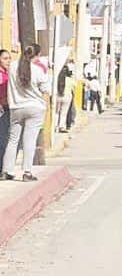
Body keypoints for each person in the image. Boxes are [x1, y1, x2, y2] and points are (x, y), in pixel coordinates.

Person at [3, 44, 50, 182]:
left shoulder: (12, 67)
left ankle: (7, 171)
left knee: (12, 140)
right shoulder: (38, 70)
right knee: (29, 140)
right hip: (35, 108)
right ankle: (27, 172)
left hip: (16, 107)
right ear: (36, 55)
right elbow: (45, 90)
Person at [54, 60, 74, 133]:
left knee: (56, 112)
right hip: (67, 96)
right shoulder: (70, 79)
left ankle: (55, 126)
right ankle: (61, 127)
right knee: (63, 113)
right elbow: (74, 87)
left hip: (57, 96)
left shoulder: (56, 78)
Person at [0, 49, 11, 163]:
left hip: (8, 108)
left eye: (9, 58)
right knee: (2, 139)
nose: (8, 61)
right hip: (2, 108)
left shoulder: (8, 73)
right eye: (5, 58)